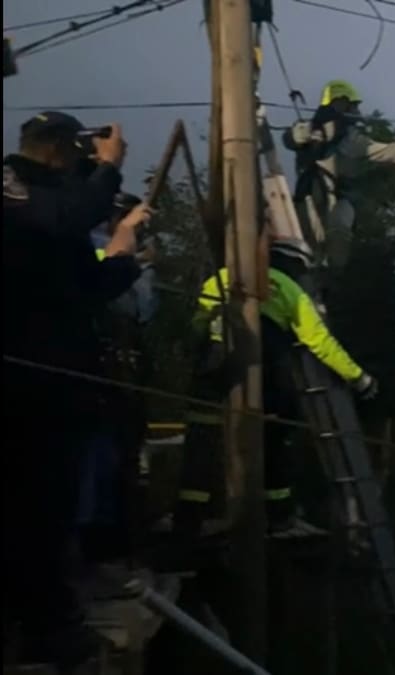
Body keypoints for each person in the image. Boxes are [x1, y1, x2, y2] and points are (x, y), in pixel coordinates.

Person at [3, 111, 144, 669]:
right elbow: (61, 220)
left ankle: (45, 624)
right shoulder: (13, 187)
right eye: (79, 155)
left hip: (57, 385)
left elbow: (82, 286)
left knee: (47, 511)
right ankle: (44, 624)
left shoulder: (53, 212)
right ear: (58, 150)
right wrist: (108, 170)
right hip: (17, 383)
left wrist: (124, 259)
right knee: (26, 509)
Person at [173, 238, 378, 539]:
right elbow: (319, 342)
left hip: (211, 368)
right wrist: (360, 378)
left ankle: (189, 518)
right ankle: (278, 517)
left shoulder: (222, 277)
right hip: (264, 371)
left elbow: (196, 325)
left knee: (203, 440)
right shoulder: (289, 289)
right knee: (274, 441)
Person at [282, 79, 395, 269]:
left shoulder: (354, 140)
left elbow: (393, 153)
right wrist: (307, 134)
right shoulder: (308, 131)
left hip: (340, 198)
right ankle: (312, 273)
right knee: (306, 246)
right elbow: (291, 139)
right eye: (352, 106)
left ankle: (330, 277)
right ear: (339, 102)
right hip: (309, 195)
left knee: (339, 233)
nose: (355, 112)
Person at [78, 192, 158, 565]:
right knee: (102, 456)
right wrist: (138, 263)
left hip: (113, 367)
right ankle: (99, 540)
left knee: (115, 453)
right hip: (98, 369)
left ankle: (108, 532)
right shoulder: (96, 246)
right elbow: (134, 307)